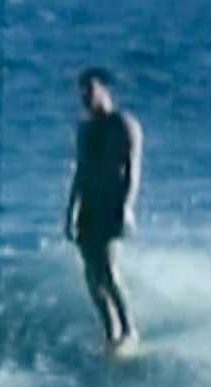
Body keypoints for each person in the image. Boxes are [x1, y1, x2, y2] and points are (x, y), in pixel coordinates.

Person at [64, 67, 143, 354]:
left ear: (105, 91)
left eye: (91, 90)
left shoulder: (124, 124)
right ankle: (111, 333)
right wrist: (70, 211)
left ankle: (129, 330)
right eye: (82, 92)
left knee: (109, 271)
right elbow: (80, 172)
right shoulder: (84, 130)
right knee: (91, 275)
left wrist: (127, 207)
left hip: (111, 206)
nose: (85, 97)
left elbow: (133, 169)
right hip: (88, 207)